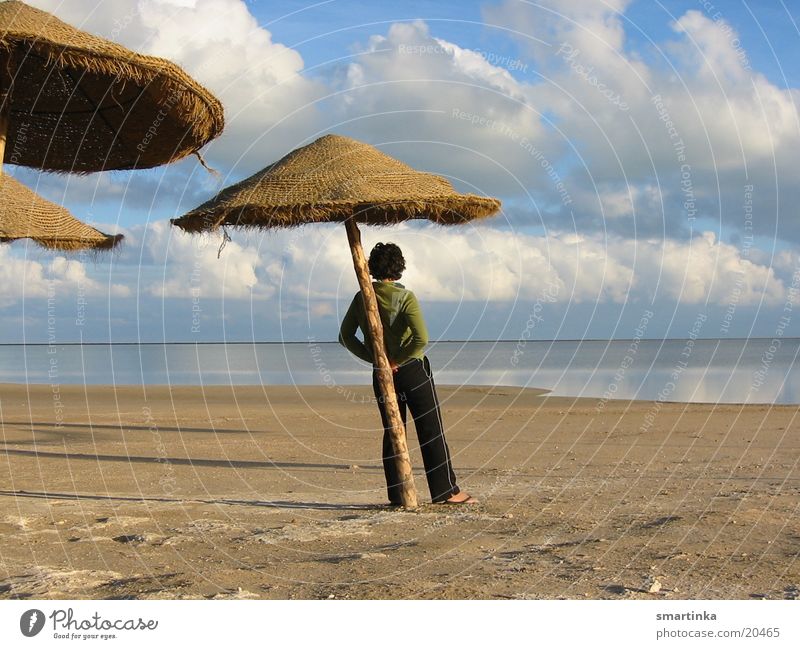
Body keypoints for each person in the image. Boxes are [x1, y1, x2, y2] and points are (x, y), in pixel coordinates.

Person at [338, 242, 477, 506]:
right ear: (399, 267)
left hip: (381, 373)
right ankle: (447, 491)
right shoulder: (405, 297)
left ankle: (398, 495)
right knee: (430, 429)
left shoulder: (362, 297)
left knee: (393, 431)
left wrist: (378, 361)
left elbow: (345, 337)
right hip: (412, 370)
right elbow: (420, 339)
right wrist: (395, 361)